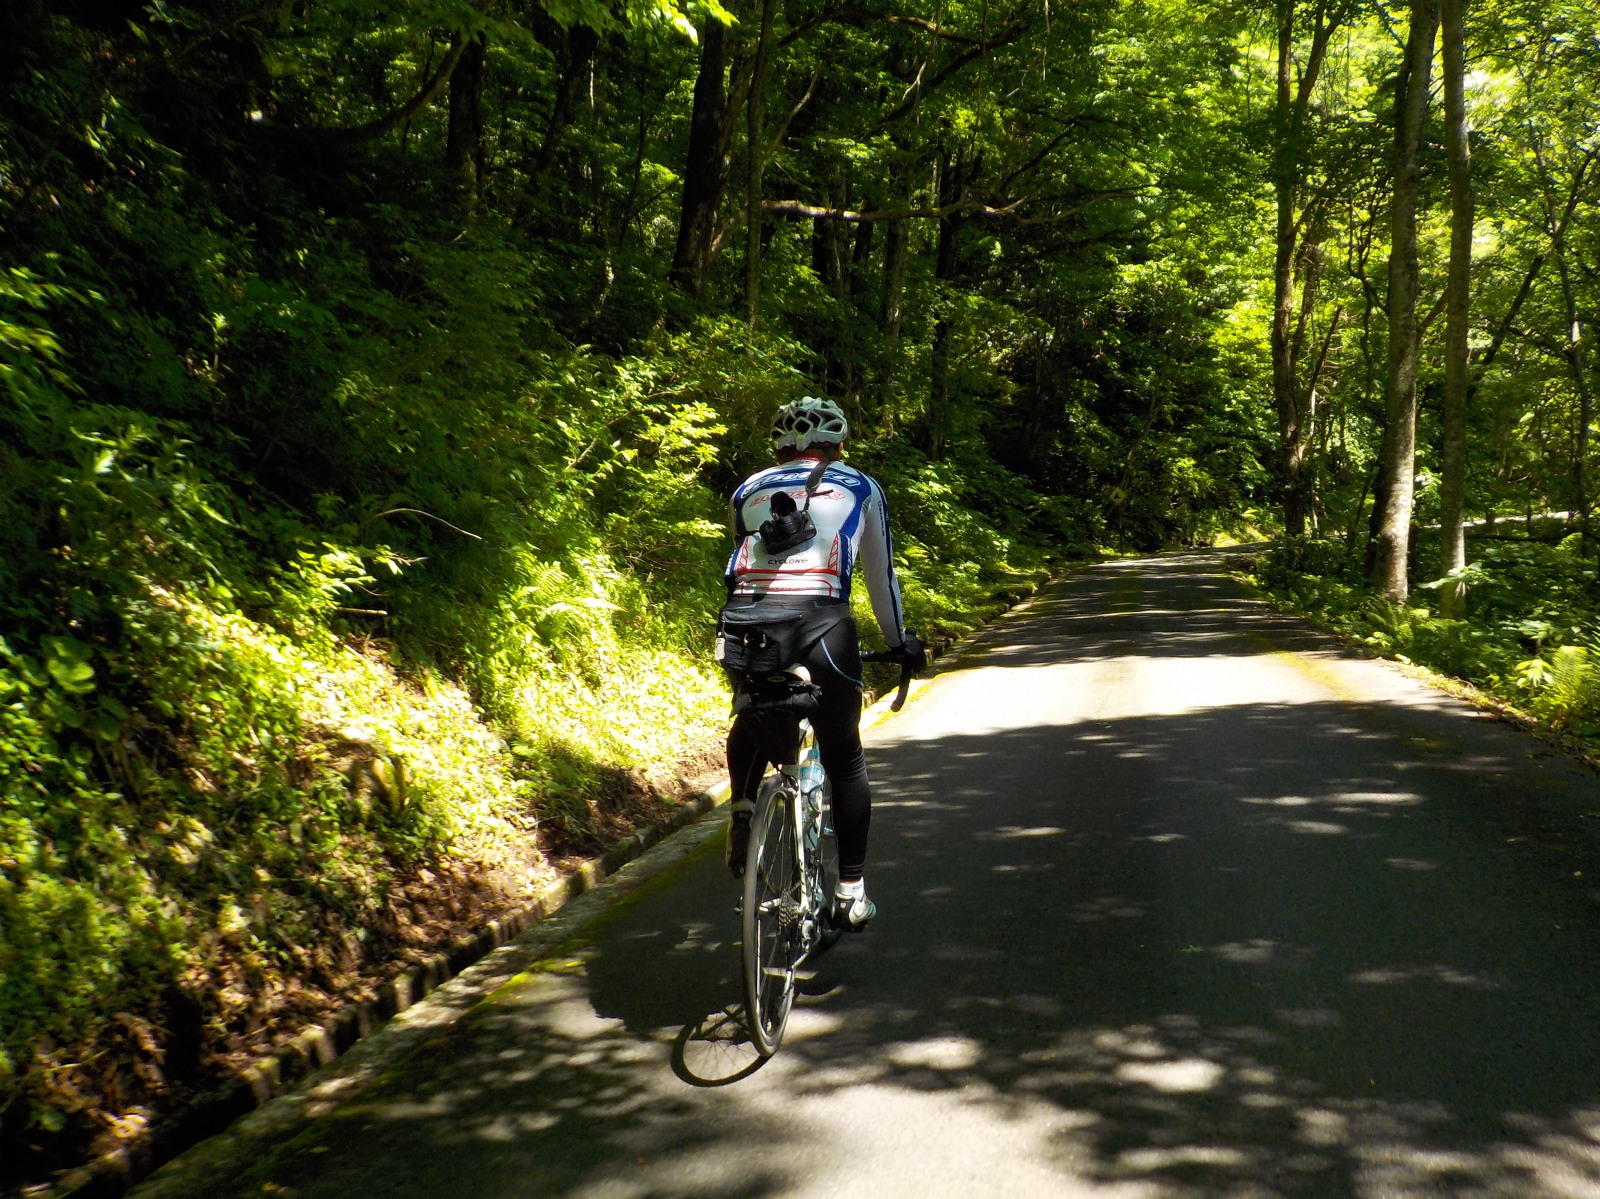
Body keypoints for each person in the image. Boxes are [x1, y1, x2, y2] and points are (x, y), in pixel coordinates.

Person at [718, 396, 924, 931]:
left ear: (780, 448)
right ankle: (850, 891)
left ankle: (743, 809)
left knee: (752, 711)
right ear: (837, 446)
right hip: (822, 625)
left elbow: (742, 566)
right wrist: (899, 641)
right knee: (844, 755)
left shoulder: (748, 489)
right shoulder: (861, 486)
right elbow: (881, 577)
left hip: (745, 625)